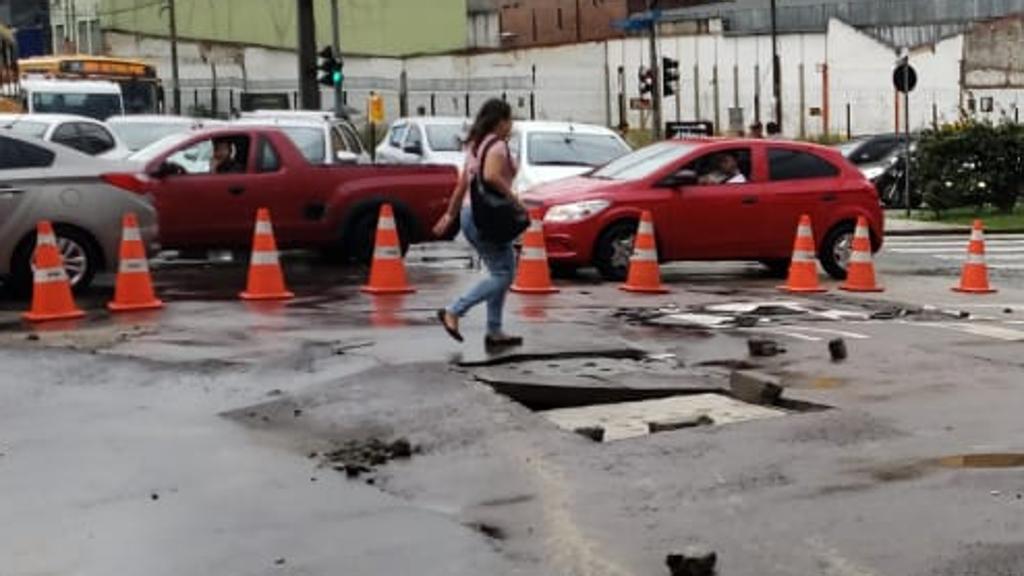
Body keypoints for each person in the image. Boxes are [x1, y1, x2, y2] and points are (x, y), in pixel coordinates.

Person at [434, 99, 524, 349]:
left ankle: (494, 330)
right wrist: (514, 199)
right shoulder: (497, 147)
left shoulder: (476, 145)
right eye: (509, 120)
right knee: (503, 273)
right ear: (501, 121)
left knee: (502, 271)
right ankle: (454, 310)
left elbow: (463, 183)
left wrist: (450, 215)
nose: (511, 125)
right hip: (487, 216)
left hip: (469, 214)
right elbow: (491, 177)